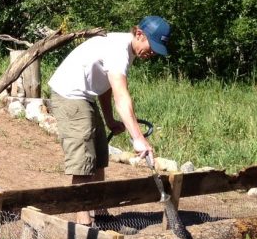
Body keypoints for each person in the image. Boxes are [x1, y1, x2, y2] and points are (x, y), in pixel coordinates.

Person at [47, 16, 171, 225]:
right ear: (139, 34)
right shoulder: (118, 51)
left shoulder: (127, 50)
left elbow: (106, 88)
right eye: (153, 46)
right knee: (83, 162)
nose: (153, 53)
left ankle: (101, 215)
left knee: (100, 156)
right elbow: (121, 97)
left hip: (86, 96)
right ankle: (83, 224)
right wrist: (138, 138)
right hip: (70, 95)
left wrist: (110, 120)